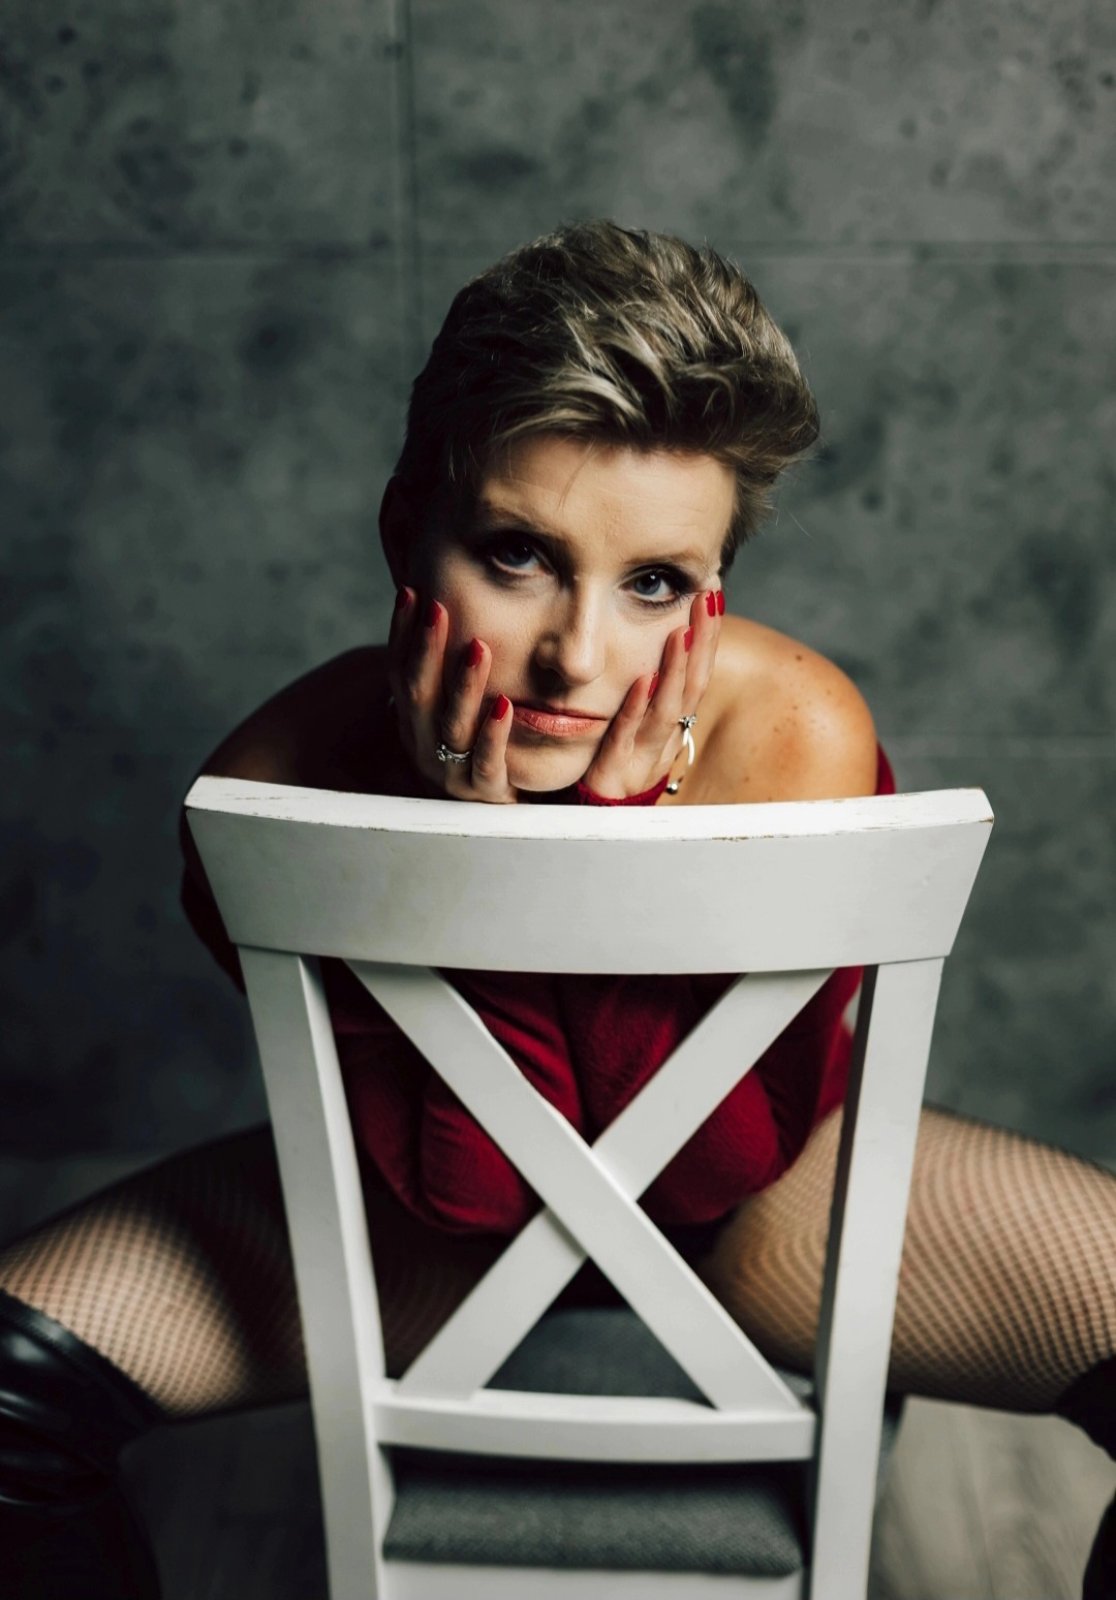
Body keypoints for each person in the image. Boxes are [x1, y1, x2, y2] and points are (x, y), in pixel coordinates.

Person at [0, 220, 1112, 1598]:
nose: (578, 658)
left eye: (654, 584)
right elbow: (465, 1192)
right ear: (407, 532)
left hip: (770, 1206)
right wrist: (484, 848)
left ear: (713, 593)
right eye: (518, 554)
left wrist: (595, 838)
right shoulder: (271, 791)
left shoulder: (791, 736)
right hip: (418, 1224)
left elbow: (702, 1174)